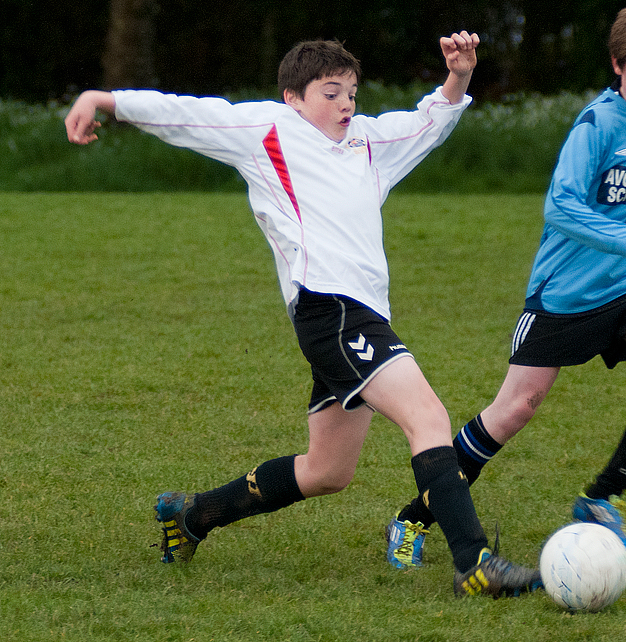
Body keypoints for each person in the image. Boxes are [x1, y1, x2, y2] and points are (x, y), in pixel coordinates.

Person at [64, 32, 541, 598]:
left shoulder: (366, 141)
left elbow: (428, 119)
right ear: (294, 97)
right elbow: (187, 114)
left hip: (359, 316)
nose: (346, 104)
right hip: (329, 309)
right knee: (429, 419)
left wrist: (458, 76)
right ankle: (475, 564)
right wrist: (104, 98)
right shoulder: (270, 129)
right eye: (331, 92)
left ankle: (192, 516)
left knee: (327, 471)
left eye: (352, 94)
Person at [385, 0, 626, 569]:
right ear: (616, 64)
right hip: (566, 293)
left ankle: (600, 499)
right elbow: (560, 208)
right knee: (514, 409)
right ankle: (413, 518)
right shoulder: (598, 124)